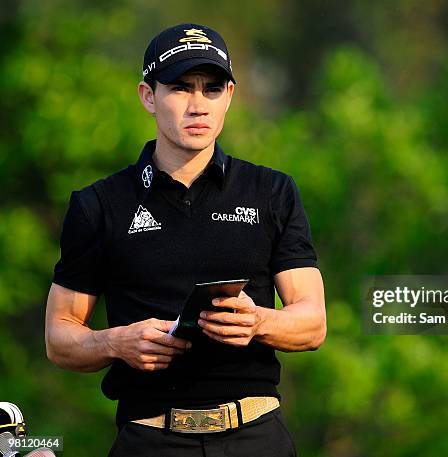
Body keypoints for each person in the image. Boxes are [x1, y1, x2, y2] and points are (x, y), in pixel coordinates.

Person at [44, 23, 326, 457]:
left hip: (256, 436)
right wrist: (115, 342)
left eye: (212, 89)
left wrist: (259, 322)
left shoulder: (272, 191)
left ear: (229, 96)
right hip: (150, 438)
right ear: (148, 96)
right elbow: (59, 338)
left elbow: (313, 322)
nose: (198, 105)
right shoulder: (98, 204)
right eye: (180, 88)